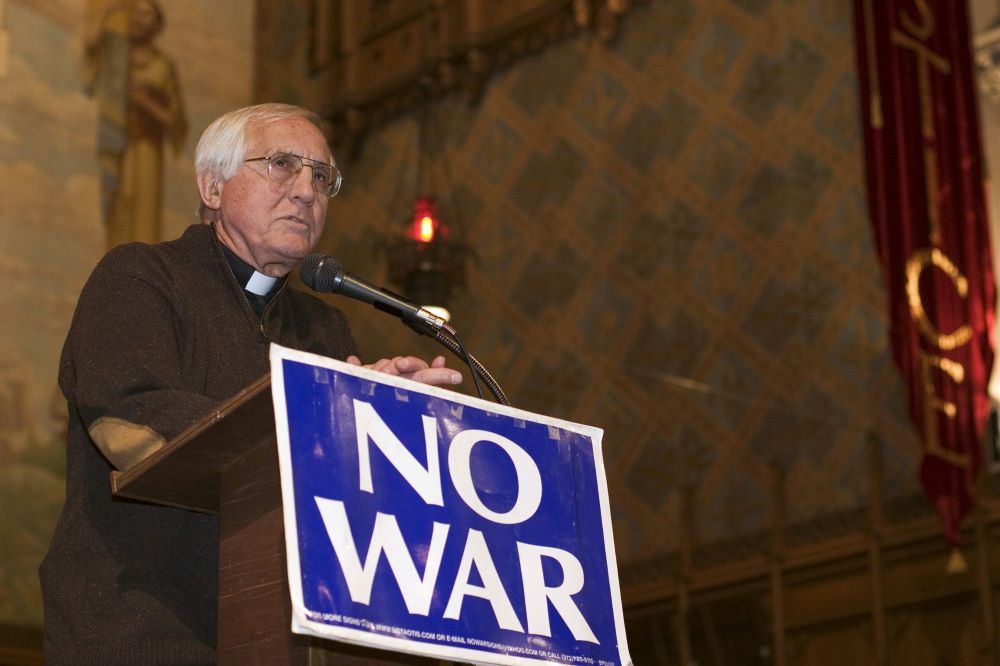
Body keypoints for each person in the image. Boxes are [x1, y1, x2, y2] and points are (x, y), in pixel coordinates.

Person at [38, 103, 462, 664]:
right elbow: (129, 428)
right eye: (282, 164)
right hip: (140, 626)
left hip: (279, 640)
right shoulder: (140, 278)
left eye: (321, 177)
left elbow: (345, 503)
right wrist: (313, 407)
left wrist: (386, 415)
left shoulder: (323, 326)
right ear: (212, 187)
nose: (307, 191)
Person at [84, 0, 187, 248]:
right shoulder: (117, 55)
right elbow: (91, 47)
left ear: (157, 23)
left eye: (147, 14)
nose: (140, 19)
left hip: (147, 150)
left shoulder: (163, 66)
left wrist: (144, 102)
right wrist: (108, 10)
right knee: (119, 211)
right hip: (119, 146)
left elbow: (175, 120)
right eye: (136, 13)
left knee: (144, 214)